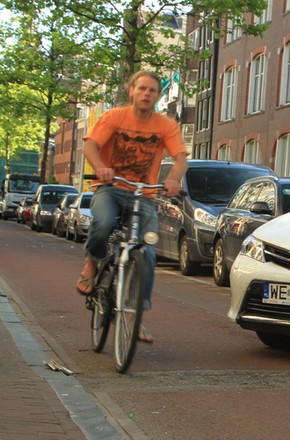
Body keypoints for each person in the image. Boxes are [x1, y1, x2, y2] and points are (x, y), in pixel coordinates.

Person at [75, 70, 188, 343]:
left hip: (144, 194)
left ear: (158, 96)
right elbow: (90, 147)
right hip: (111, 188)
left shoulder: (165, 125)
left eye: (152, 90)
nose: (147, 94)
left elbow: (180, 158)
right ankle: (91, 264)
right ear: (132, 91)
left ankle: (134, 314)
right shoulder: (115, 117)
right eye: (142, 89)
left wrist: (173, 179)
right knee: (102, 223)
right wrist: (101, 167)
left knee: (147, 253)